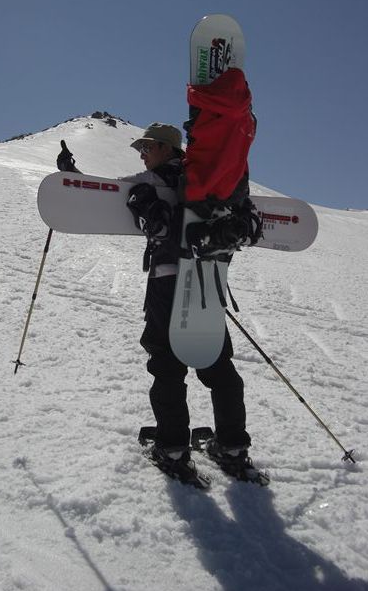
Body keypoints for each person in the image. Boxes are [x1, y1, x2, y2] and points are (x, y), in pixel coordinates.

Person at [57, 123, 252, 483]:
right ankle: (233, 447)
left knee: (166, 364)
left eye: (146, 147)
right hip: (207, 281)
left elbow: (102, 196)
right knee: (217, 363)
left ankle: (173, 449)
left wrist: (69, 174)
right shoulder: (206, 182)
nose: (142, 155)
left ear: (166, 148)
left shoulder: (152, 181)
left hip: (167, 283)